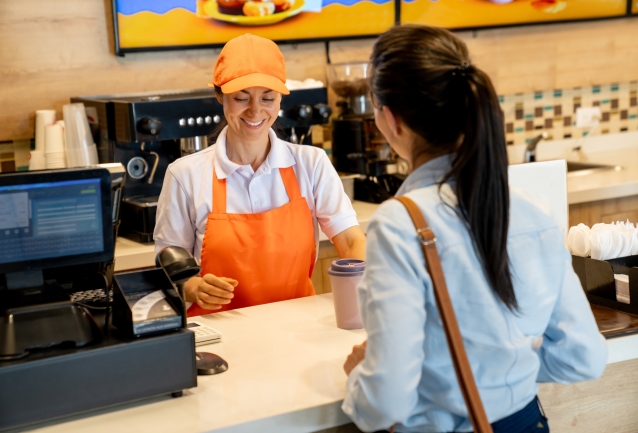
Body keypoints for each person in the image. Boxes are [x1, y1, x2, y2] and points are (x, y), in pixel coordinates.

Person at [341, 25, 607, 433]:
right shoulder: (531, 210)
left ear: (391, 121)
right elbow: (583, 356)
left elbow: (385, 403)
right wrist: (500, 365)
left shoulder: (399, 223)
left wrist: (360, 377)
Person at [154, 34, 365, 316]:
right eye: (241, 98)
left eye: (268, 98)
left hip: (299, 329)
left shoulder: (311, 164)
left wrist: (367, 301)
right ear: (220, 96)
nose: (255, 110)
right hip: (220, 335)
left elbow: (351, 241)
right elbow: (169, 264)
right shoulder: (185, 175)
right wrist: (193, 287)